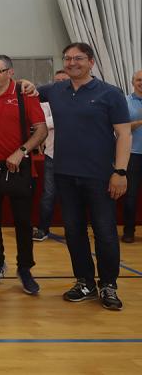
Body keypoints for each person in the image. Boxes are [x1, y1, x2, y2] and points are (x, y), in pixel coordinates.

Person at [38, 43, 131, 310]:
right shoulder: (55, 91)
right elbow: (25, 91)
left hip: (100, 176)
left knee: (105, 233)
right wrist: (23, 83)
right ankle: (85, 282)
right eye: (67, 58)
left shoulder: (110, 93)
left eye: (78, 58)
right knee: (74, 232)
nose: (72, 63)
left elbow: (124, 134)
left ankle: (109, 285)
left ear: (91, 62)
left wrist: (120, 171)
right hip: (65, 175)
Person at [0, 56, 47, 294]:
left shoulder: (24, 93)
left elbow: (41, 131)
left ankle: (25, 268)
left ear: (10, 72)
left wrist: (21, 151)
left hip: (18, 168)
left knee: (23, 221)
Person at [33, 69, 70, 242]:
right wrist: (65, 116)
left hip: (75, 157)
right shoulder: (46, 102)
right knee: (48, 195)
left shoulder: (78, 99)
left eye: (64, 80)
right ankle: (43, 229)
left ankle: (73, 230)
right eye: (57, 80)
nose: (60, 83)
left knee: (72, 196)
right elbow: (43, 123)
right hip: (52, 156)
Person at [122, 69, 142, 243]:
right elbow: (121, 128)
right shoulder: (125, 102)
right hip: (133, 154)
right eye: (139, 80)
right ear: (132, 82)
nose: (141, 83)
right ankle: (129, 231)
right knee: (131, 196)